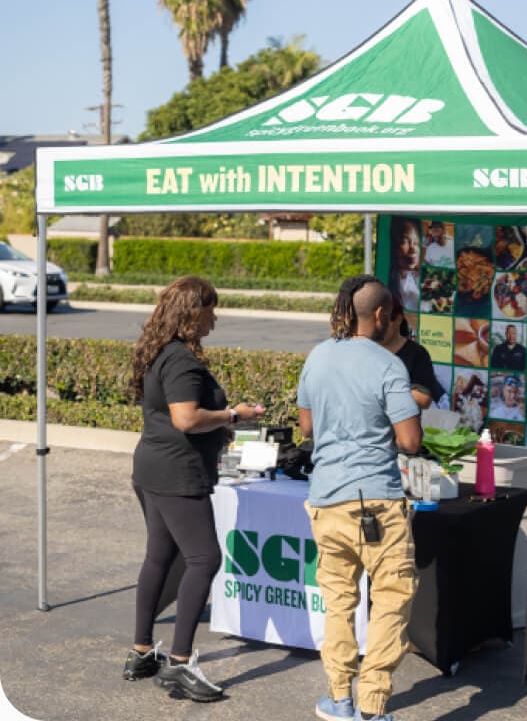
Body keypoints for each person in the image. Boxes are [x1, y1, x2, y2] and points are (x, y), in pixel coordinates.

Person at [124, 276, 265, 702]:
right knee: (205, 559)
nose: (214, 319)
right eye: (210, 311)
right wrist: (233, 416)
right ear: (191, 313)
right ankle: (180, 664)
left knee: (159, 556)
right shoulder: (182, 360)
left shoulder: (159, 351)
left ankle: (141, 652)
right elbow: (185, 418)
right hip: (177, 473)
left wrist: (217, 427)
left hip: (152, 466)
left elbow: (172, 416)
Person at [298, 275, 422, 721]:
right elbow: (410, 441)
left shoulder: (317, 356)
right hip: (377, 502)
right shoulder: (389, 365)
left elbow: (307, 427)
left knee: (339, 604)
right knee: (391, 598)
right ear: (381, 315)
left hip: (326, 499)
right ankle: (372, 705)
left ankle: (340, 698)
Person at [381, 296, 447, 409]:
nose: (376, 330)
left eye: (383, 323)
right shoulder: (366, 349)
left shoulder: (417, 354)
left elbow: (423, 399)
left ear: (398, 319)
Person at [389, 217, 421, 311]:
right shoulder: (391, 281)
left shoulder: (422, 276)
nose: (413, 248)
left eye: (416, 242)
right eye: (404, 241)